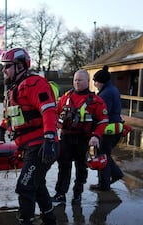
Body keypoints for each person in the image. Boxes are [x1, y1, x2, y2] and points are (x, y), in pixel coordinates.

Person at [0, 48, 59, 225]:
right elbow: (11, 115)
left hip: (40, 145)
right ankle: (50, 219)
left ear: (20, 66)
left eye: (7, 67)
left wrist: (49, 138)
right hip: (28, 145)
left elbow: (48, 111)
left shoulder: (34, 84)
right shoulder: (12, 91)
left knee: (25, 187)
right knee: (37, 185)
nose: (3, 71)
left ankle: (26, 221)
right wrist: (1, 130)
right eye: (3, 67)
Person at [51, 69, 109, 205]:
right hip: (66, 138)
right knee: (63, 167)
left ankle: (77, 194)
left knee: (81, 168)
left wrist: (96, 136)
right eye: (75, 80)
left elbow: (103, 121)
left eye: (80, 80)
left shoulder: (96, 101)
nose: (77, 82)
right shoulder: (65, 98)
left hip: (85, 140)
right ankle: (60, 194)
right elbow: (54, 114)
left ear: (87, 82)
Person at [90, 65, 124, 191]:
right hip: (115, 128)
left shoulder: (106, 94)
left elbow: (102, 114)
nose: (95, 84)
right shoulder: (112, 89)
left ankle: (104, 184)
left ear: (102, 81)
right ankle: (115, 174)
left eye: (96, 81)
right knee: (106, 155)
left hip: (107, 130)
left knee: (102, 156)